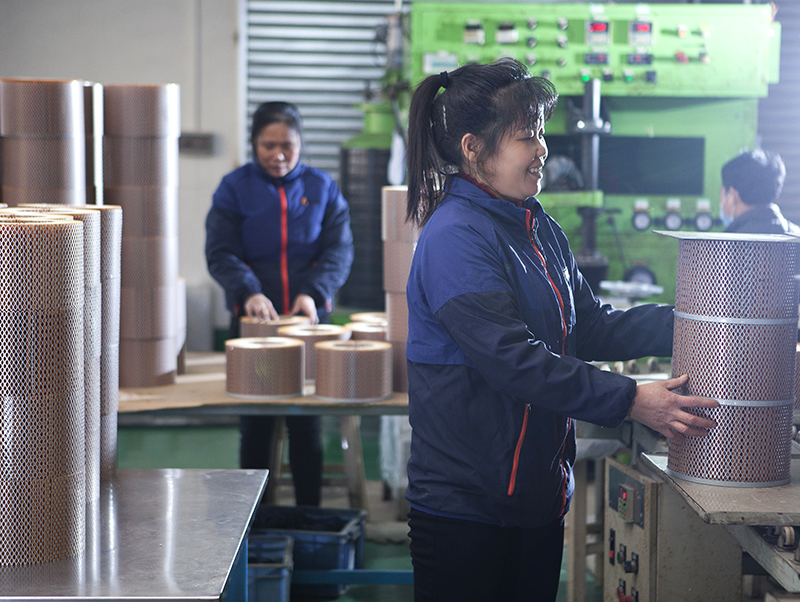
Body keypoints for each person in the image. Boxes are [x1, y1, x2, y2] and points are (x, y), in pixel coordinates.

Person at [403, 58, 718, 602]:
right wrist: (630, 399)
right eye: (527, 136)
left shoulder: (536, 225)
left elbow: (589, 326)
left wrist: (700, 323)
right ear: (474, 149)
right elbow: (512, 360)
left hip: (537, 497)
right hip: (468, 509)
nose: (543, 149)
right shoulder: (456, 237)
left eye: (542, 133)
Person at [205, 101, 354, 506]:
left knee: (307, 424)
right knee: (257, 424)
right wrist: (249, 292)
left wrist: (314, 292)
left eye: (287, 145)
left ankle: (308, 516)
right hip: (255, 327)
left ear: (300, 143)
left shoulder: (322, 188)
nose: (279, 155)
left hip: (309, 322)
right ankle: (257, 518)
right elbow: (221, 251)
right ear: (254, 143)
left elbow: (339, 250)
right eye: (268, 146)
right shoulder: (235, 188)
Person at [720, 149, 800, 234]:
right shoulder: (795, 233)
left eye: (721, 193)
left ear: (732, 195)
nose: (721, 201)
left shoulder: (730, 240)